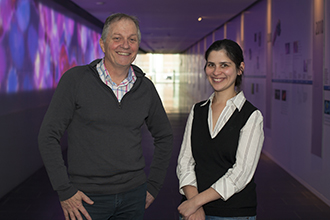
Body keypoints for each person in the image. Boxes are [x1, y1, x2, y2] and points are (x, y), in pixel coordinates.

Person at [38, 13, 173, 220]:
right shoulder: (75, 80)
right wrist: (64, 190)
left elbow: (164, 136)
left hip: (133, 196)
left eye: (132, 39)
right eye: (117, 38)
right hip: (86, 199)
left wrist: (153, 185)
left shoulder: (145, 88)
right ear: (103, 43)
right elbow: (48, 136)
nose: (125, 45)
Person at [176, 39, 264, 220]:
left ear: (240, 68)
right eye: (211, 65)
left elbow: (241, 173)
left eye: (224, 65)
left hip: (232, 214)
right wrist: (194, 204)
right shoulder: (197, 111)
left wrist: (195, 202)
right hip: (193, 213)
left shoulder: (251, 116)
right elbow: (185, 161)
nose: (216, 72)